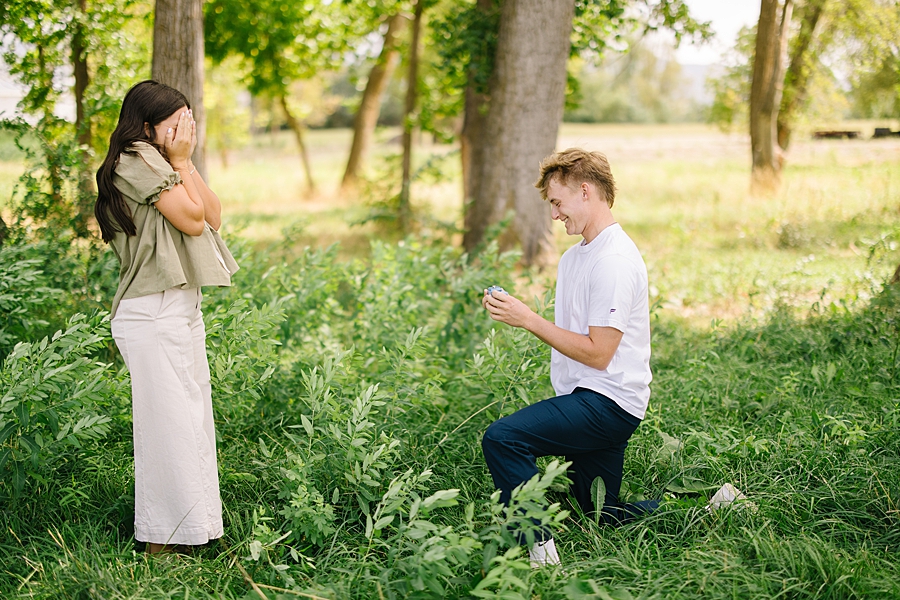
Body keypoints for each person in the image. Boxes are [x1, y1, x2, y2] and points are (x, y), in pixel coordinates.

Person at [481, 148, 653, 567]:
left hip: (608, 402)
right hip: (589, 396)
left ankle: (537, 550)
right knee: (600, 514)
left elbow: (599, 354)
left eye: (558, 203)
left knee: (503, 438)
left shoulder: (614, 260)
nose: (555, 214)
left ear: (585, 191)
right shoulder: (575, 257)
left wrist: (528, 319)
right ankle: (714, 503)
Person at [94, 80, 239, 554]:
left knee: (192, 424)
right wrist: (178, 162)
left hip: (180, 309)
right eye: (177, 123)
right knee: (166, 430)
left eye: (189, 121)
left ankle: (196, 533)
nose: (186, 130)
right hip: (151, 313)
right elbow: (191, 220)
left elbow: (213, 214)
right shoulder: (134, 161)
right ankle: (161, 544)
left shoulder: (165, 160)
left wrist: (186, 161)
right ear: (148, 124)